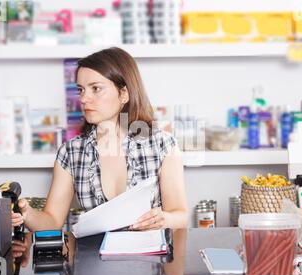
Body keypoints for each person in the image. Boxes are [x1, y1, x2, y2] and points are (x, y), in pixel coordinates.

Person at [12, 47, 188, 232]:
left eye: (96, 89)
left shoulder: (163, 145)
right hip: (94, 258)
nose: (84, 98)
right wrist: (27, 214)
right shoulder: (71, 152)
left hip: (150, 257)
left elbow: (180, 216)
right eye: (81, 90)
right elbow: (52, 221)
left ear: (124, 94)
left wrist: (163, 219)